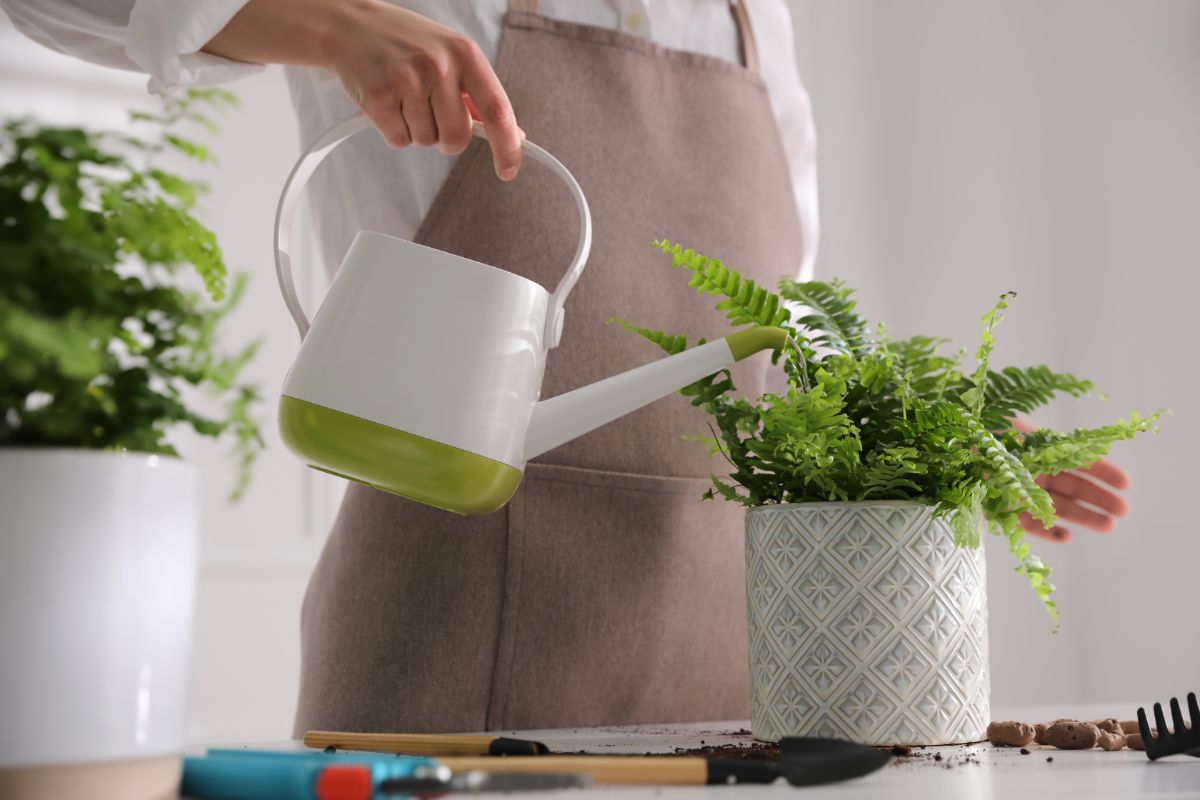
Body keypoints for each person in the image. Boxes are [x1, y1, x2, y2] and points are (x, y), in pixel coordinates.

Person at [5, 0, 1132, 734]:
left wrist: (926, 438)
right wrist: (327, 26)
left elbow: (768, 327)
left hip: (735, 692)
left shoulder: (754, 20)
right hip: (449, 670)